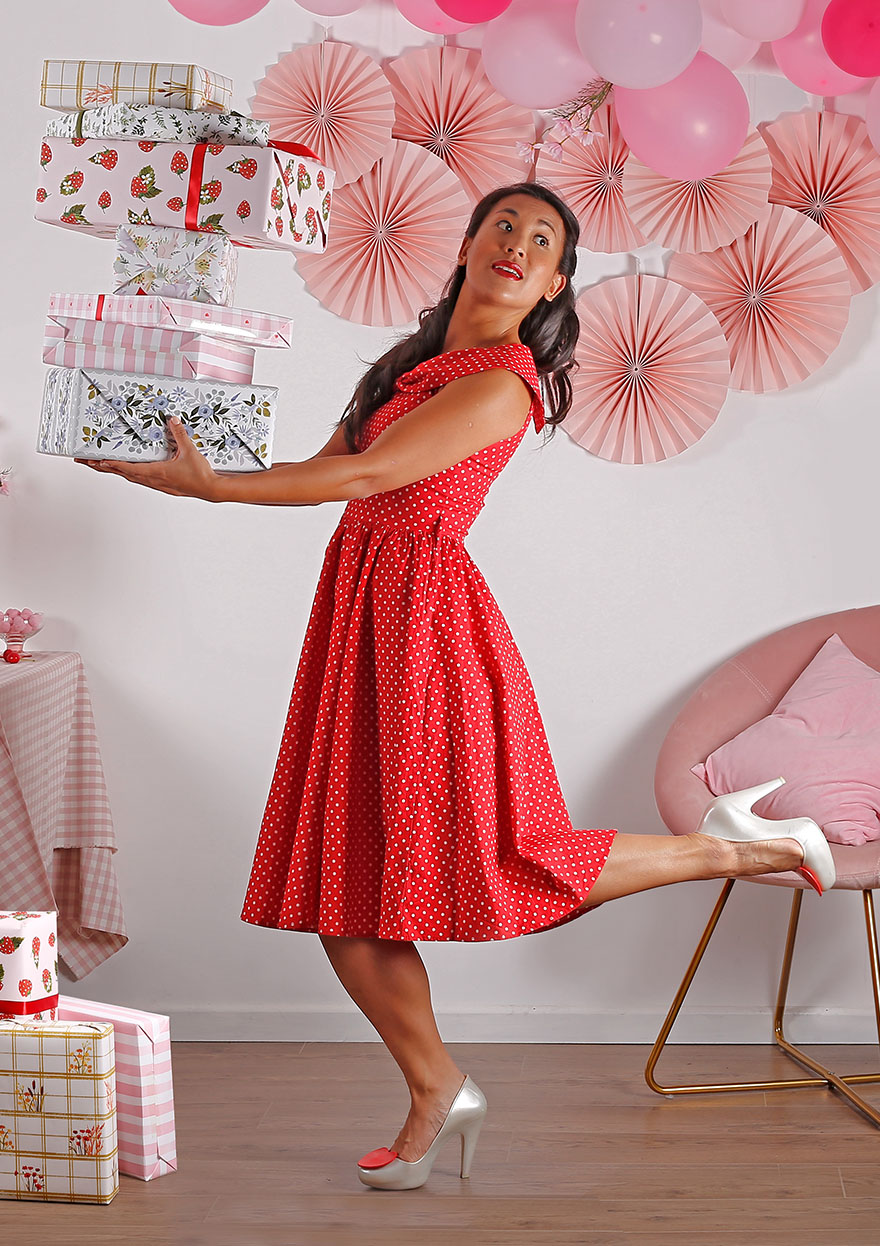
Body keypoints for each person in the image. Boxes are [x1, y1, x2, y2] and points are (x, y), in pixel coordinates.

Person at [76, 182, 834, 1192]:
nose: (518, 242)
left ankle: (725, 845)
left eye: (544, 239)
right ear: (471, 244)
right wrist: (166, 462)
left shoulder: (503, 384)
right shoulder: (413, 364)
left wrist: (210, 489)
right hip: (362, 616)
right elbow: (322, 464)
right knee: (346, 892)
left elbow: (364, 481)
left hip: (426, 631)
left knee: (501, 860)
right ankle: (439, 1087)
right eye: (505, 225)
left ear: (555, 280)